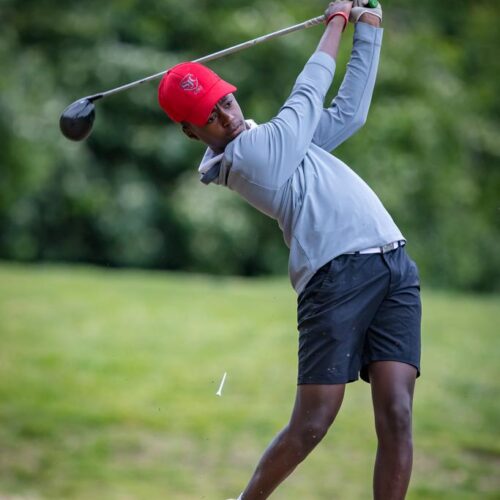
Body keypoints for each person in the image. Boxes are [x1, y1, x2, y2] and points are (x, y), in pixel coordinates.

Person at [158, 1, 421, 498]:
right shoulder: (253, 156)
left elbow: (348, 113)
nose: (224, 117)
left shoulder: (279, 139)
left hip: (393, 264)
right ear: (191, 132)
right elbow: (308, 92)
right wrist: (337, 23)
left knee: (398, 413)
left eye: (224, 103)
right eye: (208, 118)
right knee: (313, 423)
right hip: (335, 278)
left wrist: (369, 30)